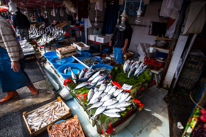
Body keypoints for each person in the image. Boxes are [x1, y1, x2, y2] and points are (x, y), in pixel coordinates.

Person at [0, 15, 38, 103]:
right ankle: (11, 93)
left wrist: (14, 59)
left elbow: (10, 41)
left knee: (18, 72)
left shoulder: (1, 23)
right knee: (4, 75)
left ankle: (33, 89)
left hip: (7, 54)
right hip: (2, 55)